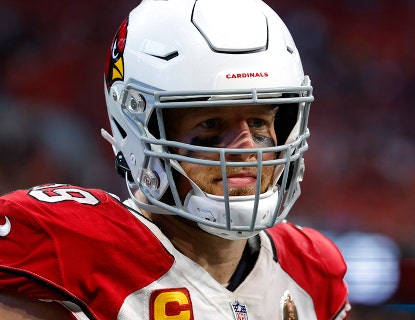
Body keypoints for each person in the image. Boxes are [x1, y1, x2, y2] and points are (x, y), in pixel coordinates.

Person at [0, 0, 350, 319]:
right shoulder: (67, 248)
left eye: (259, 121)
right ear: (137, 125)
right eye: (211, 123)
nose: (247, 147)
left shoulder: (311, 270)